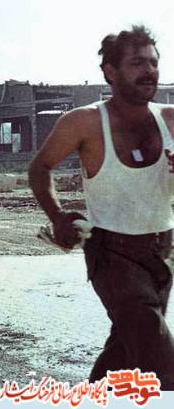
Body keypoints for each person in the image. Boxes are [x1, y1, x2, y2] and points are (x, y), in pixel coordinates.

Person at [28, 25, 174, 389]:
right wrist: (58, 216)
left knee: (125, 353)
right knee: (160, 359)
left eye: (154, 63)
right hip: (112, 255)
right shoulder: (86, 122)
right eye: (137, 63)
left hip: (162, 253)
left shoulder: (170, 119)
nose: (149, 71)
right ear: (110, 71)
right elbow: (40, 167)